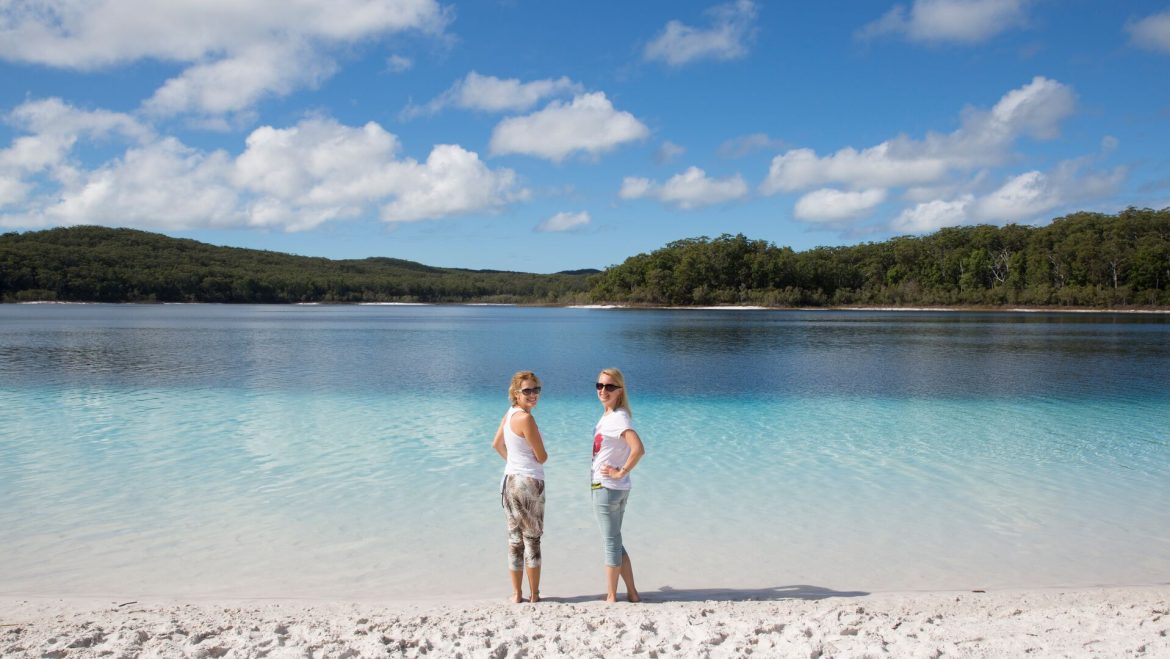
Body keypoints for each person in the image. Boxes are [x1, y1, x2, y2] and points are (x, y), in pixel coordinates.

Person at [492, 371, 548, 603]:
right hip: (528, 482)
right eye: (527, 391)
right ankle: (534, 595)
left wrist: (513, 462)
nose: (533, 395)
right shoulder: (526, 419)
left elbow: (496, 444)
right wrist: (526, 463)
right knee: (532, 539)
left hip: (509, 481)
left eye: (536, 390)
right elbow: (542, 456)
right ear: (516, 393)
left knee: (515, 540)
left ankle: (517, 594)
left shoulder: (509, 415)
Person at [591, 367, 646, 603]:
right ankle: (632, 593)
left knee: (610, 542)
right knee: (615, 539)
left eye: (610, 387)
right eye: (600, 385)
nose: (603, 390)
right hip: (612, 488)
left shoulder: (618, 418)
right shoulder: (611, 414)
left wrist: (620, 471)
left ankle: (612, 596)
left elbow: (638, 449)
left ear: (619, 390)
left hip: (608, 488)